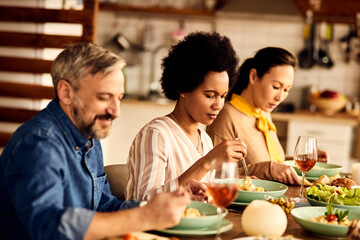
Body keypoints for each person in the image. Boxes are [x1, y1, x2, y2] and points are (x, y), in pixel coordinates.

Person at [0, 42, 192, 240]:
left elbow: (104, 207)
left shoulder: (89, 136)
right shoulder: (38, 144)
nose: (116, 111)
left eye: (119, 97)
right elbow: (49, 228)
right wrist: (144, 217)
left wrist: (158, 206)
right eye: (104, 97)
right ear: (66, 93)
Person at [125, 31, 248, 201]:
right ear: (183, 88)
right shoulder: (157, 135)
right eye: (209, 95)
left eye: (222, 95)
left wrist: (237, 182)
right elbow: (142, 200)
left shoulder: (204, 139)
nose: (218, 105)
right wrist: (207, 161)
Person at [206, 47, 328, 185]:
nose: (280, 97)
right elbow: (213, 176)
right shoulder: (226, 116)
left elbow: (268, 161)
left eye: (287, 90)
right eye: (276, 87)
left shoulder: (263, 112)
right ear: (253, 77)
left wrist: (300, 160)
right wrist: (267, 169)